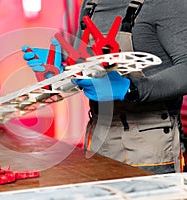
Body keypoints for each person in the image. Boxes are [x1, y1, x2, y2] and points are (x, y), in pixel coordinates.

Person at [22, 0, 187, 174]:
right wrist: (63, 70)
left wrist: (130, 88)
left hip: (150, 150)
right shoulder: (91, 4)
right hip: (99, 144)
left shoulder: (166, 2)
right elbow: (89, 68)